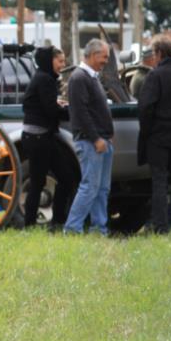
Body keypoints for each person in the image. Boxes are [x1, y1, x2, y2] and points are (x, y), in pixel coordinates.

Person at [21, 46, 76, 230]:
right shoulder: (44, 79)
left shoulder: (44, 78)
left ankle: (58, 221)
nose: (63, 65)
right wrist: (71, 111)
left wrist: (58, 104)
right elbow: (51, 110)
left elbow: (45, 104)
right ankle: (30, 224)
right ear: (48, 61)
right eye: (59, 61)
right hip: (38, 138)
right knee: (38, 183)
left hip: (43, 137)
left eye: (63, 61)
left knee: (65, 177)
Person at [63, 39, 114, 235]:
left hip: (102, 140)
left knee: (102, 189)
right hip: (91, 142)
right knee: (90, 187)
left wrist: (107, 136)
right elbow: (81, 113)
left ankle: (99, 228)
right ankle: (72, 229)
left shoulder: (91, 77)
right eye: (104, 56)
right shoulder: (79, 78)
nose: (106, 61)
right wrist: (96, 138)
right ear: (93, 55)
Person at [137, 36, 171, 234]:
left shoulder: (155, 76)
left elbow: (145, 108)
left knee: (159, 181)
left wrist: (147, 131)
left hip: (158, 137)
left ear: (159, 54)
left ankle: (160, 227)